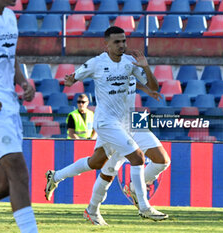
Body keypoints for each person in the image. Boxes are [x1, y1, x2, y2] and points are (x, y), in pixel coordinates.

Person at [45, 26, 170, 225]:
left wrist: (145, 67)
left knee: (159, 160)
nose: (122, 45)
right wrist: (70, 80)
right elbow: (75, 76)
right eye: (117, 42)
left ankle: (60, 180)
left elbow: (152, 86)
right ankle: (144, 207)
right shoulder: (97, 63)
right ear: (107, 44)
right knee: (137, 157)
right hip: (107, 122)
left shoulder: (131, 62)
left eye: (124, 41)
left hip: (130, 120)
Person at [0, 0, 38, 232]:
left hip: (8, 105)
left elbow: (10, 54)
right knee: (18, 170)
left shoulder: (9, 17)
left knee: (3, 184)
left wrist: (23, 81)